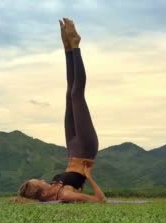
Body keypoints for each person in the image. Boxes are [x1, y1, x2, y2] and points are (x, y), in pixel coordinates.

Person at [15, 18, 106, 203]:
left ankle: (67, 48)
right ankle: (76, 45)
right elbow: (100, 201)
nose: (42, 179)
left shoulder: (53, 189)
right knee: (76, 95)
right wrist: (88, 177)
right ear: (41, 191)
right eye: (39, 182)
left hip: (72, 148)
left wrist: (23, 199)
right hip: (86, 149)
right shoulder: (64, 195)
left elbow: (29, 201)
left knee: (68, 94)